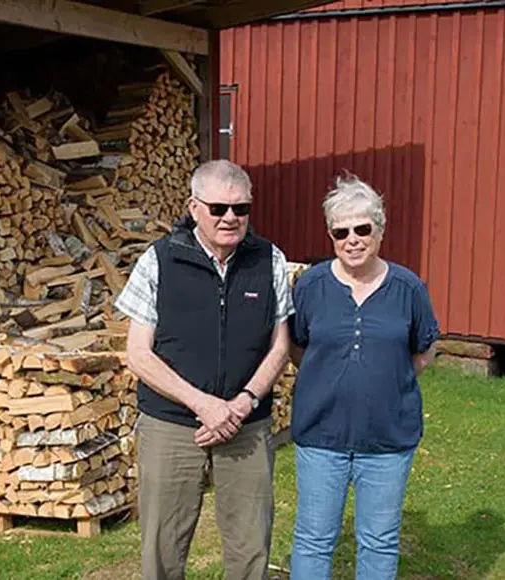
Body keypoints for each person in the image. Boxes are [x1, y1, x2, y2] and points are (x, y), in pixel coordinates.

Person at [114, 159, 293, 580]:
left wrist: (243, 404)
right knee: (163, 549)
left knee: (251, 549)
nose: (231, 217)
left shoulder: (269, 260)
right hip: (172, 426)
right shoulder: (159, 260)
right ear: (194, 207)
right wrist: (205, 405)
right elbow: (139, 354)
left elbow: (280, 343)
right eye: (218, 208)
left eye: (241, 208)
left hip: (246, 425)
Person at [287, 173, 439, 579]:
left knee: (379, 540)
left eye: (362, 228)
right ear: (330, 234)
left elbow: (424, 349)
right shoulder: (312, 286)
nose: (352, 239)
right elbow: (298, 346)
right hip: (322, 437)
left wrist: (388, 380)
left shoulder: (408, 288)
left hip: (388, 439)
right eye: (341, 231)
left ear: (380, 230)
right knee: (314, 540)